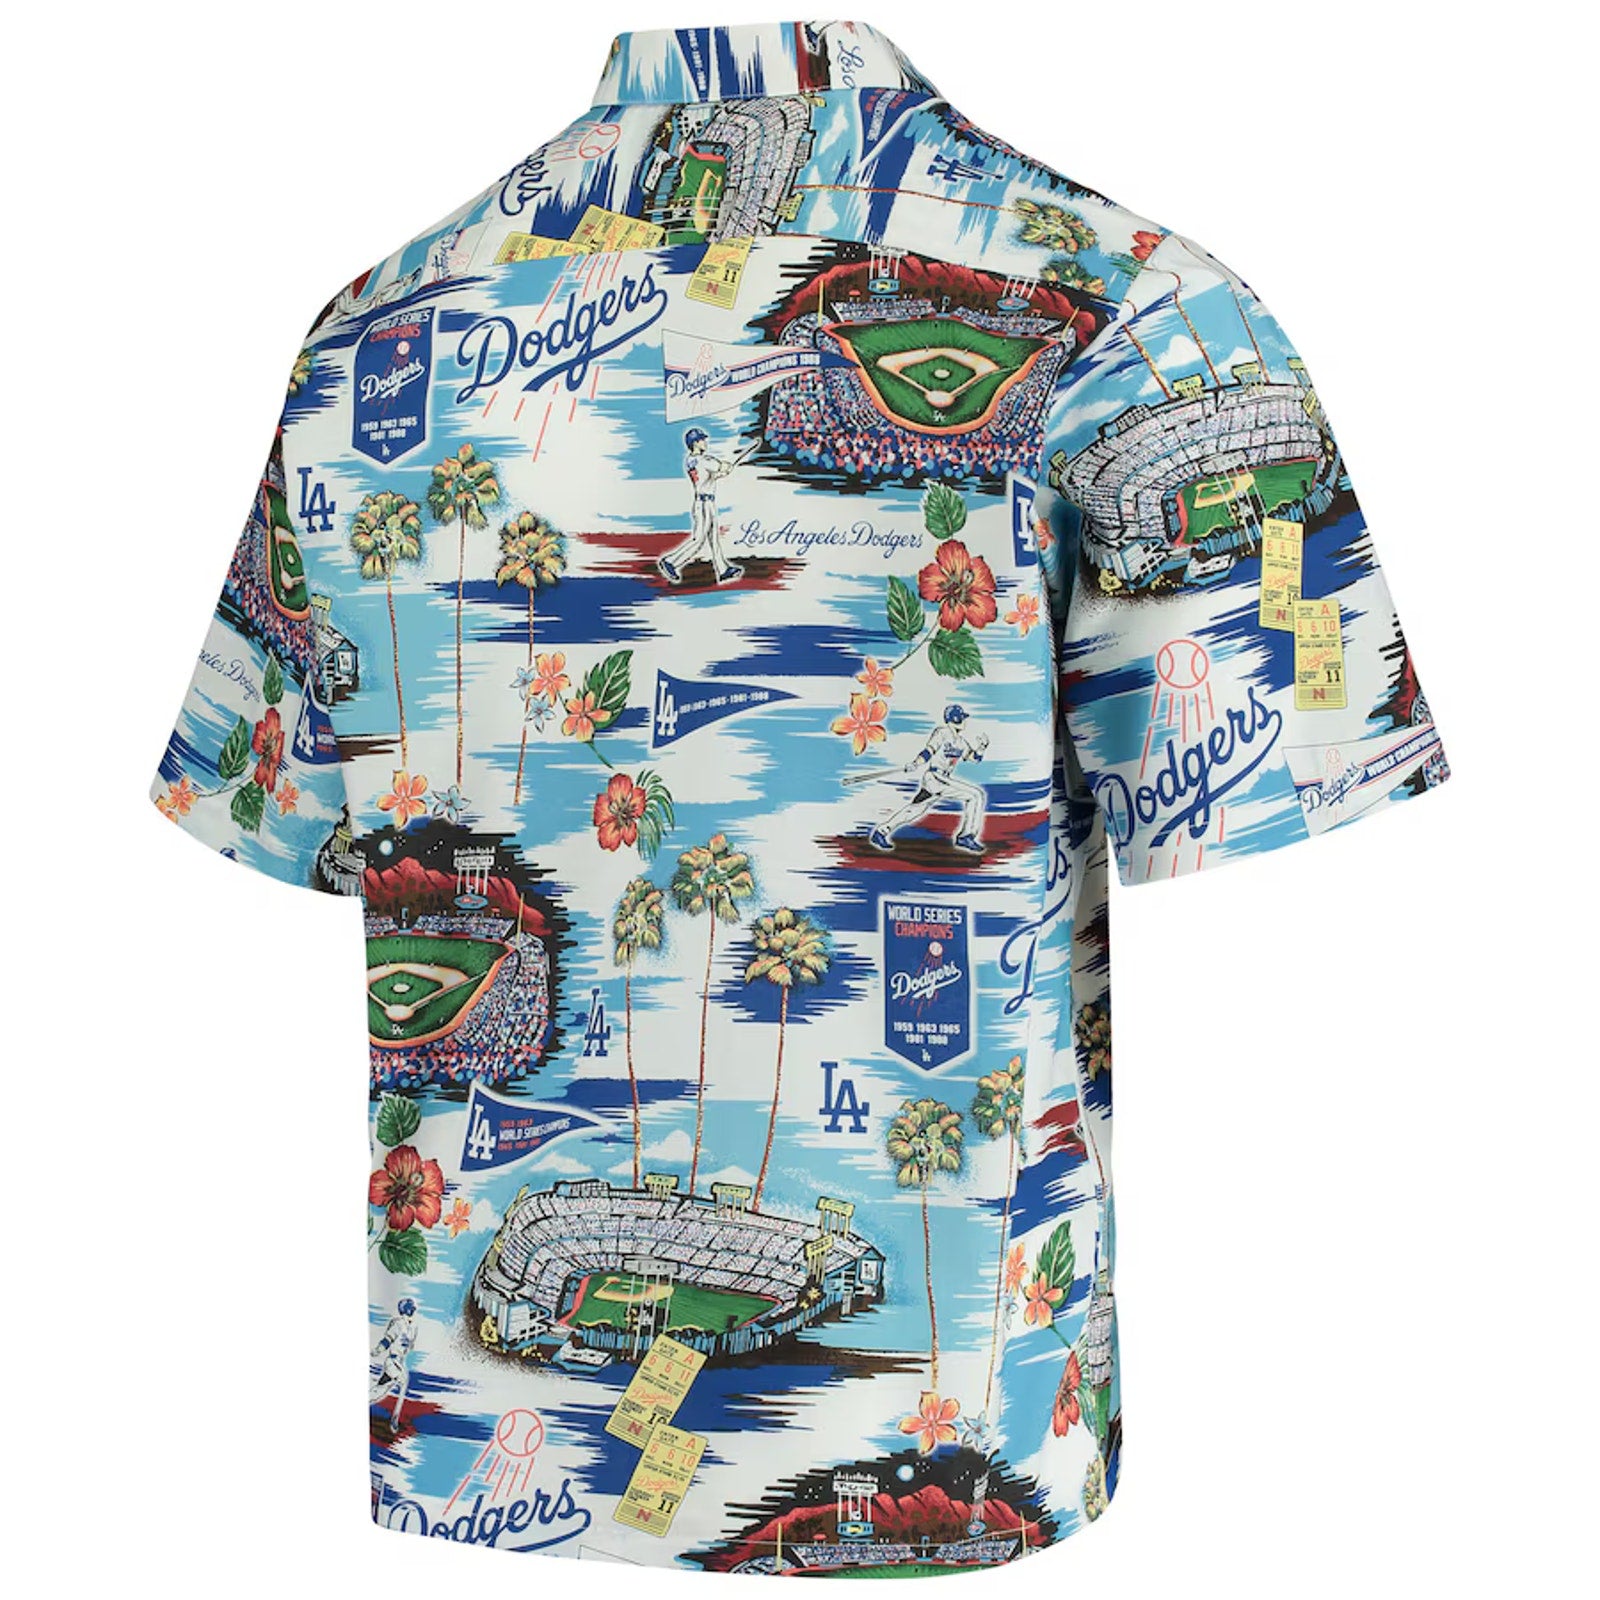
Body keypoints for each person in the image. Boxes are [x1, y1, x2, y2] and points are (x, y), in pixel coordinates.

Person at [868, 704, 990, 853]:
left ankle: (881, 831)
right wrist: (915, 763)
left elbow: (974, 758)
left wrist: (982, 747)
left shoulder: (961, 742)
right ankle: (965, 836)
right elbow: (929, 751)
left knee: (915, 810)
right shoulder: (942, 733)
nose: (964, 721)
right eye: (962, 718)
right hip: (935, 777)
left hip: (943, 780)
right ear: (955, 719)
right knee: (976, 795)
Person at [659, 427, 744, 584]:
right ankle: (671, 562)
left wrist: (722, 472)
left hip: (705, 502)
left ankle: (723, 570)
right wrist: (726, 468)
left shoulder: (690, 460)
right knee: (698, 540)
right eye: (701, 440)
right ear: (695, 443)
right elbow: (720, 466)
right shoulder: (704, 460)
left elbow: (710, 476)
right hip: (704, 504)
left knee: (714, 539)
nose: (705, 442)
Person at [370, 1296, 418, 1426]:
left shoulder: (412, 1327)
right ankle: (394, 1420)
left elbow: (410, 1346)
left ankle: (394, 1418)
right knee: (403, 1381)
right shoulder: (398, 1323)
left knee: (380, 1390)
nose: (413, 1310)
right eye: (411, 1308)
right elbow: (388, 1339)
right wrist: (378, 1350)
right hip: (392, 1361)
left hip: (400, 1362)